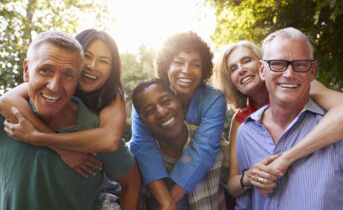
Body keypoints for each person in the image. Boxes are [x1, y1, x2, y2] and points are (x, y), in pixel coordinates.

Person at [0, 31, 140, 210]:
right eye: (45, 70)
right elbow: (5, 101)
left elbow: (130, 179)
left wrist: (38, 138)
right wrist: (62, 149)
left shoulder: (98, 121)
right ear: (27, 70)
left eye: (68, 74)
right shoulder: (12, 113)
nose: (54, 85)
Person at [212, 39, 343, 198]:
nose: (241, 70)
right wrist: (248, 178)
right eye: (233, 68)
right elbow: (233, 185)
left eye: (246, 61)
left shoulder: (297, 85)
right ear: (231, 81)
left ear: (262, 66)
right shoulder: (241, 121)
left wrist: (286, 158)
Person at [130, 31, 227, 207]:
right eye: (179, 62)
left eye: (195, 64)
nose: (186, 70)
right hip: (161, 170)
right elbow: (142, 147)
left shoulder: (213, 99)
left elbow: (203, 149)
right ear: (167, 65)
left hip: (200, 176)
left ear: (203, 69)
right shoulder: (148, 96)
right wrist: (165, 200)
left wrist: (169, 203)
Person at [131, 78, 229, 209]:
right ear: (142, 121)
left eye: (166, 101)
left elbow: (241, 192)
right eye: (149, 111)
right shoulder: (132, 159)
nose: (161, 112)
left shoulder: (219, 150)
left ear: (178, 100)